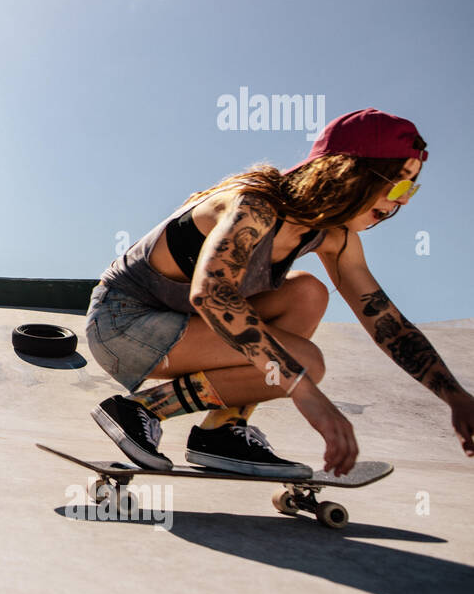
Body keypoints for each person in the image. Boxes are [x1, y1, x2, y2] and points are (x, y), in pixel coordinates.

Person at [85, 108, 474, 478]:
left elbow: (387, 324)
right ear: (350, 173)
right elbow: (212, 293)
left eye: (413, 188)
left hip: (181, 326)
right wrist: (302, 389)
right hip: (121, 324)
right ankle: (141, 409)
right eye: (399, 184)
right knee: (306, 362)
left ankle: (222, 430)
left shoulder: (334, 237)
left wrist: (455, 397)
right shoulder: (254, 203)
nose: (403, 201)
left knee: (307, 292)